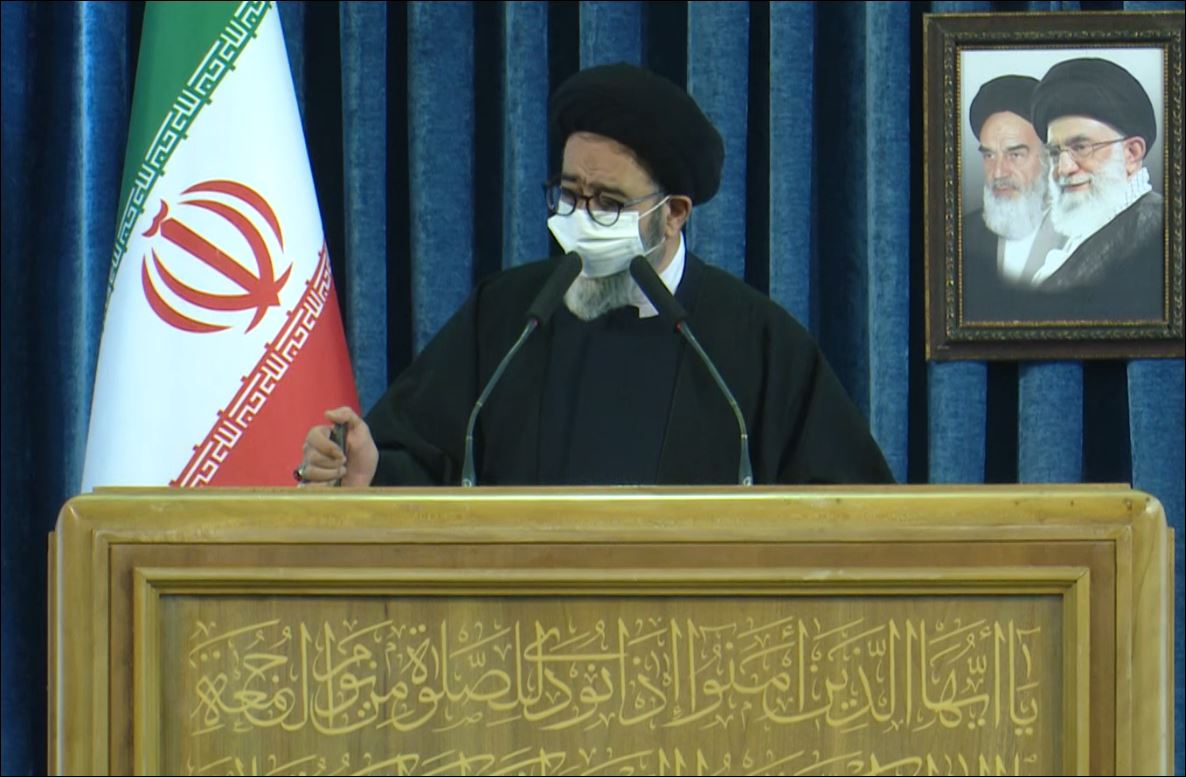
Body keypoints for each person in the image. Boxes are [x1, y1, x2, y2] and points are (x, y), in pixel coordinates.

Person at [296, 63, 893, 488]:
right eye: (569, 194)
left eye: (608, 202)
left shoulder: (754, 343)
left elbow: (846, 510)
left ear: (674, 214)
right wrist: (369, 468)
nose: (581, 218)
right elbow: (421, 457)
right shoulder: (509, 318)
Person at [1025, 57, 1164, 321]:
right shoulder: (1084, 231)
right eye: (1054, 153)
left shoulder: (1159, 232)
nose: (1063, 168)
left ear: (1132, 153)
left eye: (1081, 147)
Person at [962, 75, 1065, 322]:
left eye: (1015, 155)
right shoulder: (962, 236)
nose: (998, 173)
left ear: (1050, 157)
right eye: (989, 156)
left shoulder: (1086, 234)